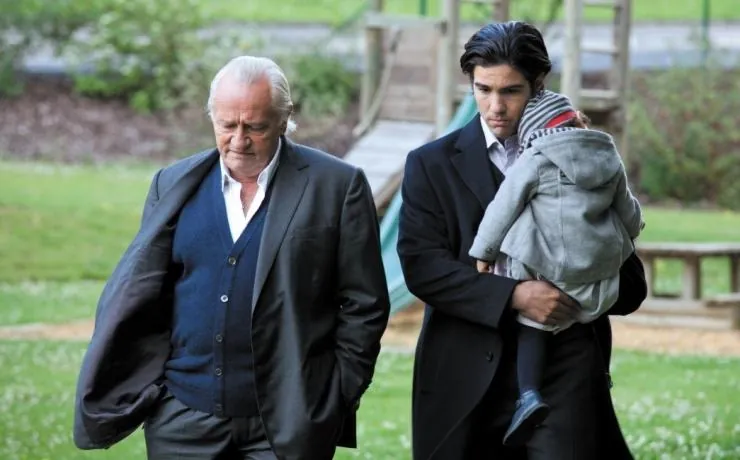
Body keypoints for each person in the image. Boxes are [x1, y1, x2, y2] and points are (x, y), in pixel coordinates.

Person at [73, 55, 391, 460]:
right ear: (212, 117)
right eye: (227, 125)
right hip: (182, 420)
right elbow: (147, 290)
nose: (239, 141)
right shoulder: (171, 184)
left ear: (284, 119)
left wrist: (337, 392)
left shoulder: (338, 186)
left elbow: (365, 302)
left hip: (289, 423)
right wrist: (158, 392)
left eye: (255, 127)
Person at [397, 21, 647, 459]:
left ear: (538, 84)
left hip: (565, 370)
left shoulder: (585, 158)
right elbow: (423, 268)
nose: (495, 106)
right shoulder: (429, 164)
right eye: (483, 89)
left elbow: (629, 282)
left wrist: (580, 284)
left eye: (511, 91)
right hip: (462, 374)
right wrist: (514, 295)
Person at [468, 88, 644, 446]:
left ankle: (528, 394)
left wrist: (484, 251)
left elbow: (502, 209)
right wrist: (630, 230)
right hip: (595, 269)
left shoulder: (534, 159)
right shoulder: (609, 157)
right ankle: (599, 373)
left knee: (534, 322)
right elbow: (628, 212)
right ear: (577, 122)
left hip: (547, 264)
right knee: (583, 316)